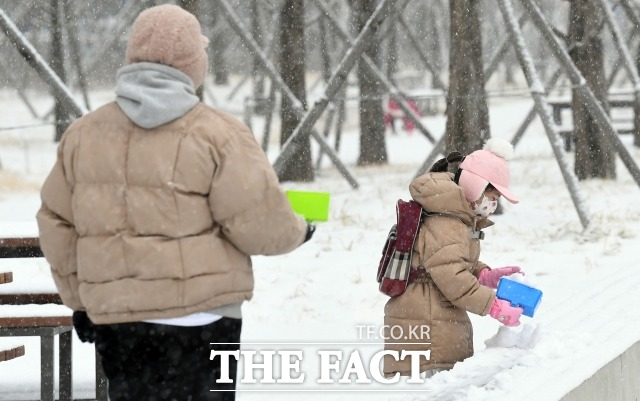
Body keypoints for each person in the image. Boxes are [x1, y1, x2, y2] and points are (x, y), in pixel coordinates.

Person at [36, 4, 314, 400]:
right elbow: (258, 223)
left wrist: (81, 299)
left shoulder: (83, 136)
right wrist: (300, 230)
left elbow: (56, 223)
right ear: (193, 64)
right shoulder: (219, 134)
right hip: (206, 319)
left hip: (121, 322)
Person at [383, 137, 524, 378]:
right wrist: (493, 305)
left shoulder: (451, 216)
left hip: (431, 315)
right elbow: (452, 278)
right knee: (437, 389)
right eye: (492, 196)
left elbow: (447, 262)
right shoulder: (447, 222)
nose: (493, 204)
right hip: (428, 322)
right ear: (475, 186)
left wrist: (483, 274)